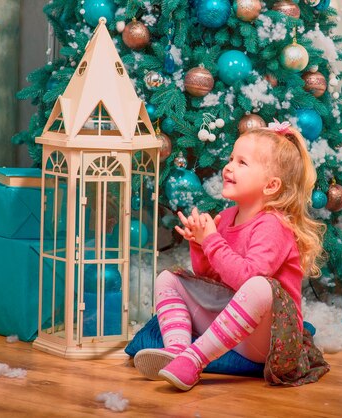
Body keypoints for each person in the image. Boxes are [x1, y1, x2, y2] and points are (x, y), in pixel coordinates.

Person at [133, 120, 330, 391]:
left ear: (271, 185)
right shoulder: (226, 218)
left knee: (260, 286)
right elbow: (212, 279)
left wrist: (212, 241)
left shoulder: (273, 225)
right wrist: (200, 245)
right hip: (233, 328)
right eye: (230, 159)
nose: (228, 167)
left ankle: (195, 358)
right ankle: (177, 352)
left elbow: (247, 279)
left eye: (242, 163)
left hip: (269, 340)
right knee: (168, 278)